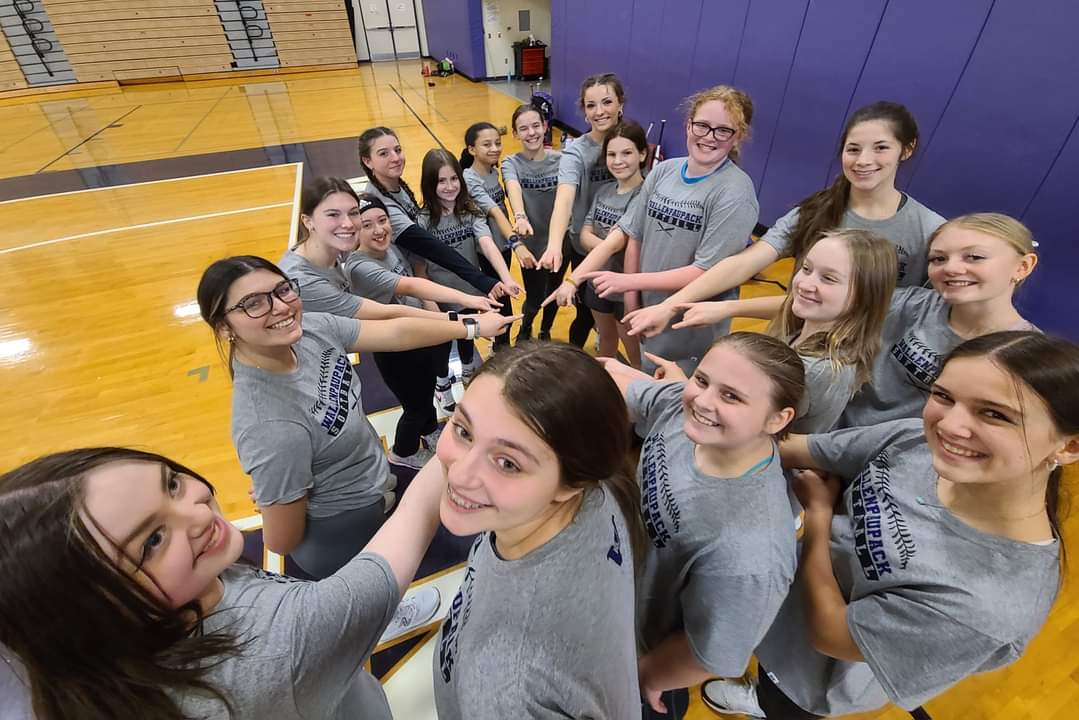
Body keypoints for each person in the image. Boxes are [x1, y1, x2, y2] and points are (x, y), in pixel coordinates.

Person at [703, 331, 1079, 719]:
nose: (950, 426)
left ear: (1068, 447)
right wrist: (710, 409)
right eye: (944, 396)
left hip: (812, 676)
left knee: (781, 700)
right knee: (760, 659)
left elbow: (832, 634)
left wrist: (819, 519)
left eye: (995, 414)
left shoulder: (989, 605)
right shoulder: (917, 441)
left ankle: (762, 702)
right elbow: (800, 449)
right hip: (777, 607)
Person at [0, 444, 452, 719]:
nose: (197, 513)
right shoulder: (279, 646)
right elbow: (378, 574)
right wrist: (461, 438)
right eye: (153, 540)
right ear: (86, 615)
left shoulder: (57, 665)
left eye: (172, 483)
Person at [197, 255, 516, 578]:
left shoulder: (308, 330)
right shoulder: (269, 426)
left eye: (282, 290)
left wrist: (469, 327)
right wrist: (280, 493)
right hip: (342, 531)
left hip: (373, 483)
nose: (279, 307)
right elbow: (281, 540)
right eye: (253, 303)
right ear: (224, 327)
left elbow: (394, 333)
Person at [432, 343, 646, 719]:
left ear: (569, 485)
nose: (460, 474)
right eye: (463, 430)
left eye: (507, 463)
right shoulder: (600, 492)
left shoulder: (507, 687)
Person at [604, 333, 804, 719]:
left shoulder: (753, 551)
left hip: (640, 652)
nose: (703, 400)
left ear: (778, 418)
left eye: (732, 396)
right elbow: (629, 391)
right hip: (612, 596)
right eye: (702, 379)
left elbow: (714, 653)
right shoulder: (685, 412)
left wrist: (646, 677)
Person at [624, 101, 945, 340]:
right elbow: (743, 264)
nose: (864, 160)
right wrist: (672, 305)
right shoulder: (816, 210)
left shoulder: (929, 230)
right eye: (853, 149)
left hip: (867, 367)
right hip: (792, 348)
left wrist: (728, 308)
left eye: (880, 148)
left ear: (906, 149)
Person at [279, 178, 500, 469]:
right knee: (411, 409)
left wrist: (468, 302)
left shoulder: (335, 250)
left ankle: (426, 434)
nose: (349, 223)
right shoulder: (308, 280)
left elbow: (410, 285)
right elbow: (389, 316)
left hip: (341, 356)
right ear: (308, 220)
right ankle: (402, 455)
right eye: (333, 214)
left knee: (420, 401)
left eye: (353, 213)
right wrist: (467, 321)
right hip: (313, 380)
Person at [548, 85, 760, 374]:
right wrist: (632, 302)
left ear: (739, 136)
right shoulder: (665, 171)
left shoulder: (735, 192)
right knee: (646, 382)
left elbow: (706, 271)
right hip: (647, 311)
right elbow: (634, 235)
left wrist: (629, 283)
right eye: (702, 126)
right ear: (688, 125)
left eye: (723, 130)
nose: (709, 137)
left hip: (690, 326)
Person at [664, 228, 898, 434]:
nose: (805, 284)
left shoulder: (817, 371)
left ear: (863, 296)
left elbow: (745, 430)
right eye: (806, 269)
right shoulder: (801, 332)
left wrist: (679, 388)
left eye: (828, 278)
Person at [836, 212, 1039, 428]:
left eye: (974, 257)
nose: (951, 268)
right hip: (837, 437)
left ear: (1023, 266)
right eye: (938, 259)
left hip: (913, 456)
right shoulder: (907, 304)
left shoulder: (1030, 357)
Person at [416, 149, 523, 408]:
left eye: (454, 179)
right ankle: (442, 383)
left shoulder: (469, 212)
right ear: (430, 183)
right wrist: (427, 301)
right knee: (442, 346)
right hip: (440, 298)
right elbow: (419, 268)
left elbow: (487, 244)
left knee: (467, 335)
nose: (450, 186)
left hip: (468, 293)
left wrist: (506, 277)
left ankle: (467, 372)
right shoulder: (421, 221)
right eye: (442, 181)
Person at [357, 125, 510, 300]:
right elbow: (431, 248)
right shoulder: (380, 203)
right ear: (367, 161)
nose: (395, 158)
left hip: (427, 282)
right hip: (408, 287)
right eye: (383, 153)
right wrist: (482, 281)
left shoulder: (396, 187)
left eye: (398, 150)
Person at [537, 72, 626, 347]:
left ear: (621, 105)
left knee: (621, 313)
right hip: (586, 245)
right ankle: (575, 350)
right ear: (584, 112)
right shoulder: (576, 152)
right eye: (591, 105)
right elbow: (564, 198)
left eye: (607, 102)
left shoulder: (629, 143)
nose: (600, 111)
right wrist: (554, 245)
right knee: (587, 311)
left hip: (624, 245)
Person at [578, 120, 647, 365]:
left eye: (626, 153)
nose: (618, 161)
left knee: (634, 351)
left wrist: (610, 248)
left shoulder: (645, 194)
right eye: (612, 154)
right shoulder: (604, 191)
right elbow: (583, 234)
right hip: (597, 282)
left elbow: (626, 246)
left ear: (642, 154)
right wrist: (610, 248)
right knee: (606, 340)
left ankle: (638, 394)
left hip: (626, 290)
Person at [461, 121, 534, 348]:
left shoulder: (493, 171)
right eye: (487, 144)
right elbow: (494, 211)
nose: (494, 148)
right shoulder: (469, 178)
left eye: (497, 143)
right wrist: (517, 243)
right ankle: (500, 347)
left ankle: (500, 345)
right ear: (472, 149)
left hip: (502, 245)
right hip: (486, 250)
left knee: (504, 295)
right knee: (501, 300)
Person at [501, 103, 563, 342]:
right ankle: (526, 327)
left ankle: (546, 330)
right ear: (515, 134)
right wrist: (520, 216)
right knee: (536, 296)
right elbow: (513, 186)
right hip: (532, 245)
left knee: (555, 291)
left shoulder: (561, 160)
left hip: (559, 241)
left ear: (545, 126)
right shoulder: (511, 163)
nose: (532, 133)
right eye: (524, 128)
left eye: (536, 125)